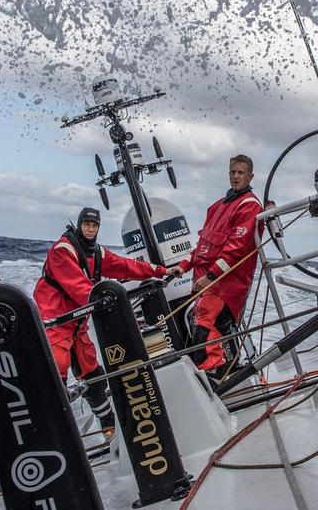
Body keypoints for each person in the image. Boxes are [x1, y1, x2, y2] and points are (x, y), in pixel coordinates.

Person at [33, 207, 174, 439]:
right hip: (56, 323)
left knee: (92, 373)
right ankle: (50, 434)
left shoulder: (96, 253)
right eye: (86, 224)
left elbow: (126, 266)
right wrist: (102, 300)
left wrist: (160, 272)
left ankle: (110, 428)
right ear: (79, 225)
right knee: (55, 373)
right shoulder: (63, 251)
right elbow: (78, 286)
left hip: (77, 326)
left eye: (94, 225)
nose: (90, 229)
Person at [175, 154, 263, 376]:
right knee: (199, 326)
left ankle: (215, 379)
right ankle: (218, 374)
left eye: (241, 172)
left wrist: (211, 276)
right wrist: (183, 266)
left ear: (250, 176)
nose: (236, 176)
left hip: (225, 285)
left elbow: (237, 249)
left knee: (205, 326)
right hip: (206, 283)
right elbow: (203, 246)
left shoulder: (249, 206)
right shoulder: (216, 207)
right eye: (233, 171)